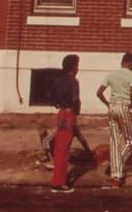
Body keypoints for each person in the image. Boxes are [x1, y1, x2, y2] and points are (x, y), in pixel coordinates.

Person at [96, 51, 132, 187]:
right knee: (131, 141)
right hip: (124, 107)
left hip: (112, 107)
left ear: (122, 62)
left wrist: (108, 104)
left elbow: (99, 92)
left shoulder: (112, 74)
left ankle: (115, 174)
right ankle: (117, 165)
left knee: (114, 141)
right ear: (131, 63)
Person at [48, 53, 82, 193]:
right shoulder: (72, 81)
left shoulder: (60, 79)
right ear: (73, 67)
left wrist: (57, 103)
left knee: (59, 147)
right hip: (69, 115)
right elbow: (75, 99)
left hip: (61, 113)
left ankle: (58, 178)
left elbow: (49, 94)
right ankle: (59, 182)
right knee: (63, 148)